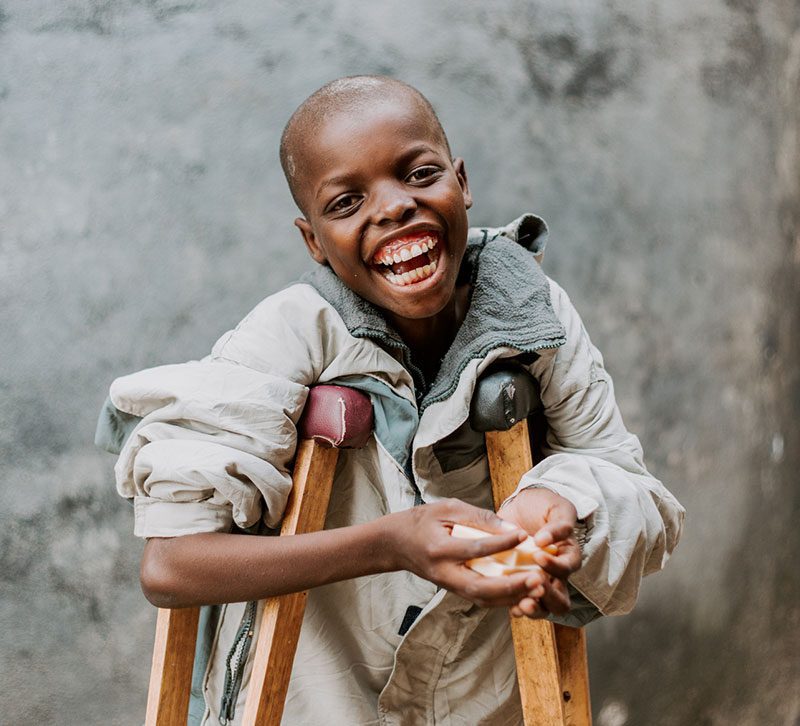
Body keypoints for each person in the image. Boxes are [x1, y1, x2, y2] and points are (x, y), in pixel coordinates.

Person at [97, 75, 684, 725]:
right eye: (346, 202)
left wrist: (566, 504)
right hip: (317, 698)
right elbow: (172, 565)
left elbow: (643, 499)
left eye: (420, 173)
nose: (392, 206)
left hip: (485, 695)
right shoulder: (289, 333)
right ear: (314, 243)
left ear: (461, 183)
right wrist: (390, 544)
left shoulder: (534, 315)